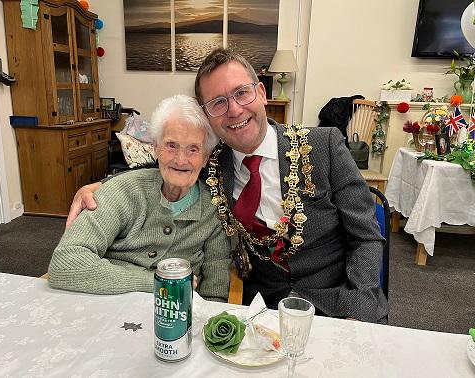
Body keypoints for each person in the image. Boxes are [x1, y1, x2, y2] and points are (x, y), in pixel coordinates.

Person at [67, 48, 388, 323]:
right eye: (218, 102)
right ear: (207, 114)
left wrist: (357, 307)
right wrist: (102, 186)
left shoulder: (323, 145)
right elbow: (163, 165)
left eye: (241, 93)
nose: (234, 110)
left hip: (338, 303)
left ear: (261, 93)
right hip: (260, 308)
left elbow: (366, 237)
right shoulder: (211, 160)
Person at [49, 95, 231, 302]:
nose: (181, 160)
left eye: (193, 149)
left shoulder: (215, 210)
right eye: (171, 145)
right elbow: (65, 263)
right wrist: (157, 282)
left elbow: (215, 293)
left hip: (177, 318)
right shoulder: (123, 190)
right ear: (155, 148)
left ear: (206, 156)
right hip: (106, 305)